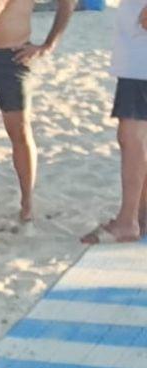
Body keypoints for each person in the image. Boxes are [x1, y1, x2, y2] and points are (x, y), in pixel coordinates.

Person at [0, 0, 67, 227]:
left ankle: (27, 201)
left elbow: (68, 3)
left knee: (18, 129)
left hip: (14, 54)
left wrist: (48, 44)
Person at [85, 0, 147, 244]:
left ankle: (127, 221)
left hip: (140, 63)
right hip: (137, 58)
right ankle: (140, 214)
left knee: (132, 138)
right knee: (138, 139)